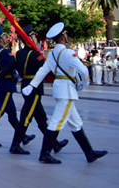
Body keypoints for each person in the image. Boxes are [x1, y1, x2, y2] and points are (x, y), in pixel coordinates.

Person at [23, 22, 108, 164]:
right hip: (67, 92)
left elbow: (43, 71)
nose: (67, 36)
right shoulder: (68, 53)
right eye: (66, 34)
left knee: (76, 123)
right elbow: (83, 70)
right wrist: (84, 84)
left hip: (59, 89)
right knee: (56, 123)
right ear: (62, 37)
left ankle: (89, 153)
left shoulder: (53, 54)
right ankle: (45, 154)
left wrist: (32, 85)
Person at [8, 24, 68, 156]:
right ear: (29, 38)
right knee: (26, 117)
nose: (35, 38)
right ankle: (15, 145)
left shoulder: (19, 53)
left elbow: (11, 67)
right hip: (34, 88)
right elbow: (47, 70)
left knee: (41, 118)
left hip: (25, 84)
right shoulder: (35, 55)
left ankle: (54, 144)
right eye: (34, 36)